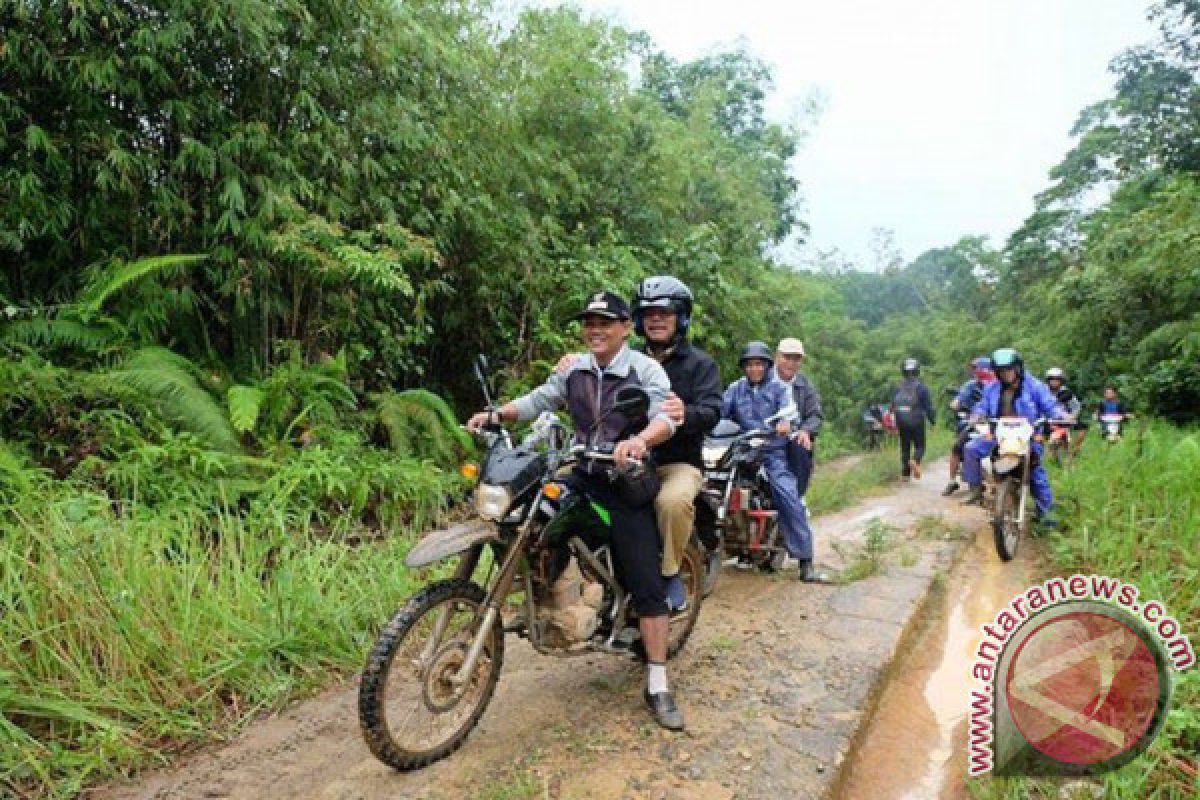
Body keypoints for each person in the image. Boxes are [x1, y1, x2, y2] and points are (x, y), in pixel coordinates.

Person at [466, 290, 685, 731]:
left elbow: (666, 415)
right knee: (529, 517)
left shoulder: (645, 370)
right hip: (583, 472)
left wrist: (640, 441)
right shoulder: (575, 370)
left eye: (606, 322)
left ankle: (658, 682)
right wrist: (496, 416)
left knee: (645, 582)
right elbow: (538, 401)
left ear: (626, 328)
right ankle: (553, 593)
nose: (596, 330)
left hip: (625, 481)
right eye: (589, 323)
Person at [630, 276, 722, 611]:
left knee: (672, 502)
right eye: (649, 313)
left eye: (665, 313)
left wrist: (687, 413)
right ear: (638, 320)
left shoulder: (701, 364)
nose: (656, 318)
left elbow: (713, 410)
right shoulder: (627, 360)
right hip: (626, 459)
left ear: (681, 317)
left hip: (677, 462)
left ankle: (670, 573)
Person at [720, 342, 811, 582]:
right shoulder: (736, 389)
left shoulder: (779, 389)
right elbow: (720, 413)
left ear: (767, 365)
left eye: (759, 364)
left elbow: (789, 412)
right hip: (741, 450)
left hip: (772, 451)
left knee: (788, 494)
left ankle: (805, 559)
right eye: (749, 365)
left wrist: (785, 424)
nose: (754, 369)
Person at [960, 348, 1067, 525]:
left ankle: (1047, 516)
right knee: (970, 448)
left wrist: (1060, 416)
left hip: (1028, 434)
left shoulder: (1035, 386)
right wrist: (976, 415)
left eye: (1009, 369)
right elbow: (982, 406)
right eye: (1001, 371)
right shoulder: (991, 388)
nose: (1006, 374)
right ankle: (975, 489)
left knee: (1036, 472)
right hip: (999, 433)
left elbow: (1050, 405)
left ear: (1018, 368)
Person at [772, 337, 826, 582]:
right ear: (777, 356)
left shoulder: (805, 387)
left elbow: (815, 415)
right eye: (787, 356)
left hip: (791, 449)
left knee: (793, 498)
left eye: (796, 358)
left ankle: (806, 559)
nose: (790, 362)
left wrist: (804, 430)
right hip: (758, 444)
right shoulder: (760, 380)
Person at [943, 357, 996, 495]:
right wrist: (956, 404)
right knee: (957, 447)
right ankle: (952, 480)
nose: (974, 371)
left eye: (976, 368)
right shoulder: (971, 385)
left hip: (994, 424)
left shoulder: (997, 385)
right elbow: (959, 400)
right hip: (974, 423)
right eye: (973, 369)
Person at [892, 358, 935, 480]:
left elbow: (893, 406)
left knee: (905, 446)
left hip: (901, 420)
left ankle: (905, 474)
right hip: (916, 420)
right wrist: (932, 421)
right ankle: (915, 460)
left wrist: (896, 423)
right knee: (920, 446)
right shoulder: (921, 388)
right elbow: (929, 407)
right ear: (917, 371)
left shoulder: (897, 387)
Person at [1044, 367, 1086, 453]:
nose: (1054, 382)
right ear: (1048, 380)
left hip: (1065, 419)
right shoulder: (1043, 392)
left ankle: (1075, 448)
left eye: (1057, 379)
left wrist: (1073, 416)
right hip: (1048, 420)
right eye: (1052, 379)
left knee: (1083, 427)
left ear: (1061, 381)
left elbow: (1076, 407)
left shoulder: (1067, 393)